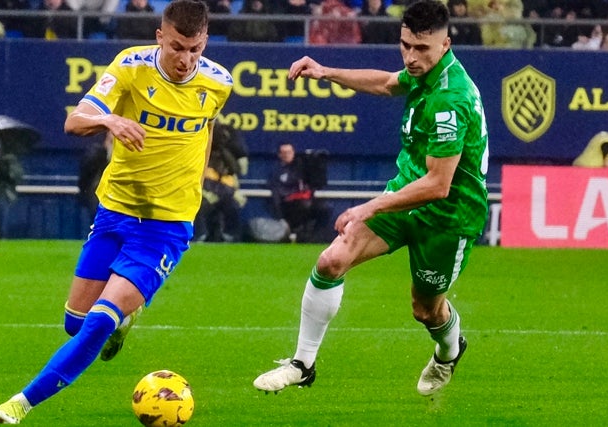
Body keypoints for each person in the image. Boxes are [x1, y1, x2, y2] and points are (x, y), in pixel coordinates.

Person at [0, 1, 233, 423]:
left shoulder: (219, 83)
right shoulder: (130, 66)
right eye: (177, 47)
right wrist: (110, 122)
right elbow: (74, 121)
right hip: (115, 212)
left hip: (166, 227)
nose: (185, 59)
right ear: (160, 36)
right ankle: (124, 320)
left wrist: (193, 191)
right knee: (75, 324)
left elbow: (206, 128)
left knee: (98, 321)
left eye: (194, 49)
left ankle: (20, 403)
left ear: (205, 41)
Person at [253, 0, 488, 397]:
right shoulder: (424, 73)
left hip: (448, 216)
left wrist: (369, 205)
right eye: (405, 46)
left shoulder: (452, 99)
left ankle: (450, 349)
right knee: (331, 261)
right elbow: (386, 83)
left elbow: (437, 185)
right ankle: (302, 363)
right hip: (405, 196)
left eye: (421, 49)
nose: (411, 58)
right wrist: (326, 72)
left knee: (425, 309)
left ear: (446, 44)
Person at [193, 121, 249, 242]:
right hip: (205, 189)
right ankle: (200, 234)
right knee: (201, 202)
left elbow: (236, 170)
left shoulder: (227, 155)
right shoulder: (201, 152)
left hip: (223, 190)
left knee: (232, 204)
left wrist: (233, 192)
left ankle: (230, 235)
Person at [267, 142, 332, 243]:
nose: (287, 155)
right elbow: (277, 193)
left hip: (306, 201)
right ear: (279, 155)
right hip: (289, 205)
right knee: (303, 205)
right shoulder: (276, 171)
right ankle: (298, 234)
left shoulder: (301, 167)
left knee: (325, 208)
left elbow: (317, 182)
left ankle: (315, 238)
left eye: (289, 152)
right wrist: (279, 216)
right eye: (284, 152)